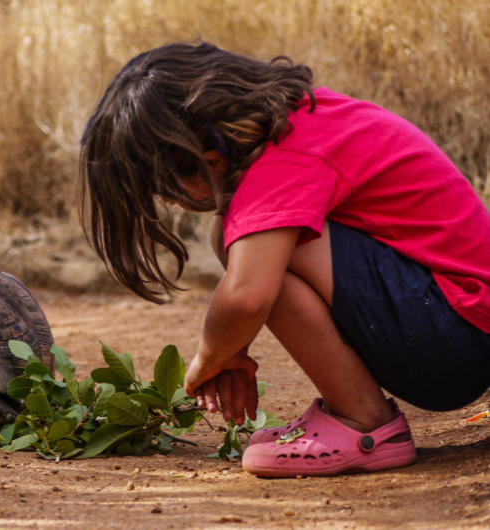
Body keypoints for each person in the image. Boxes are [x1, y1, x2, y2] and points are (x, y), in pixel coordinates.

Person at [78, 41, 490, 477]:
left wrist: (210, 358)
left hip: (452, 336)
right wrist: (236, 347)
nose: (170, 203)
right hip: (455, 324)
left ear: (210, 161)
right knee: (236, 234)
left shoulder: (286, 158)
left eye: (164, 190)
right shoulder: (305, 121)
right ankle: (357, 413)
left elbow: (246, 297)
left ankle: (362, 423)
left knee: (260, 248)